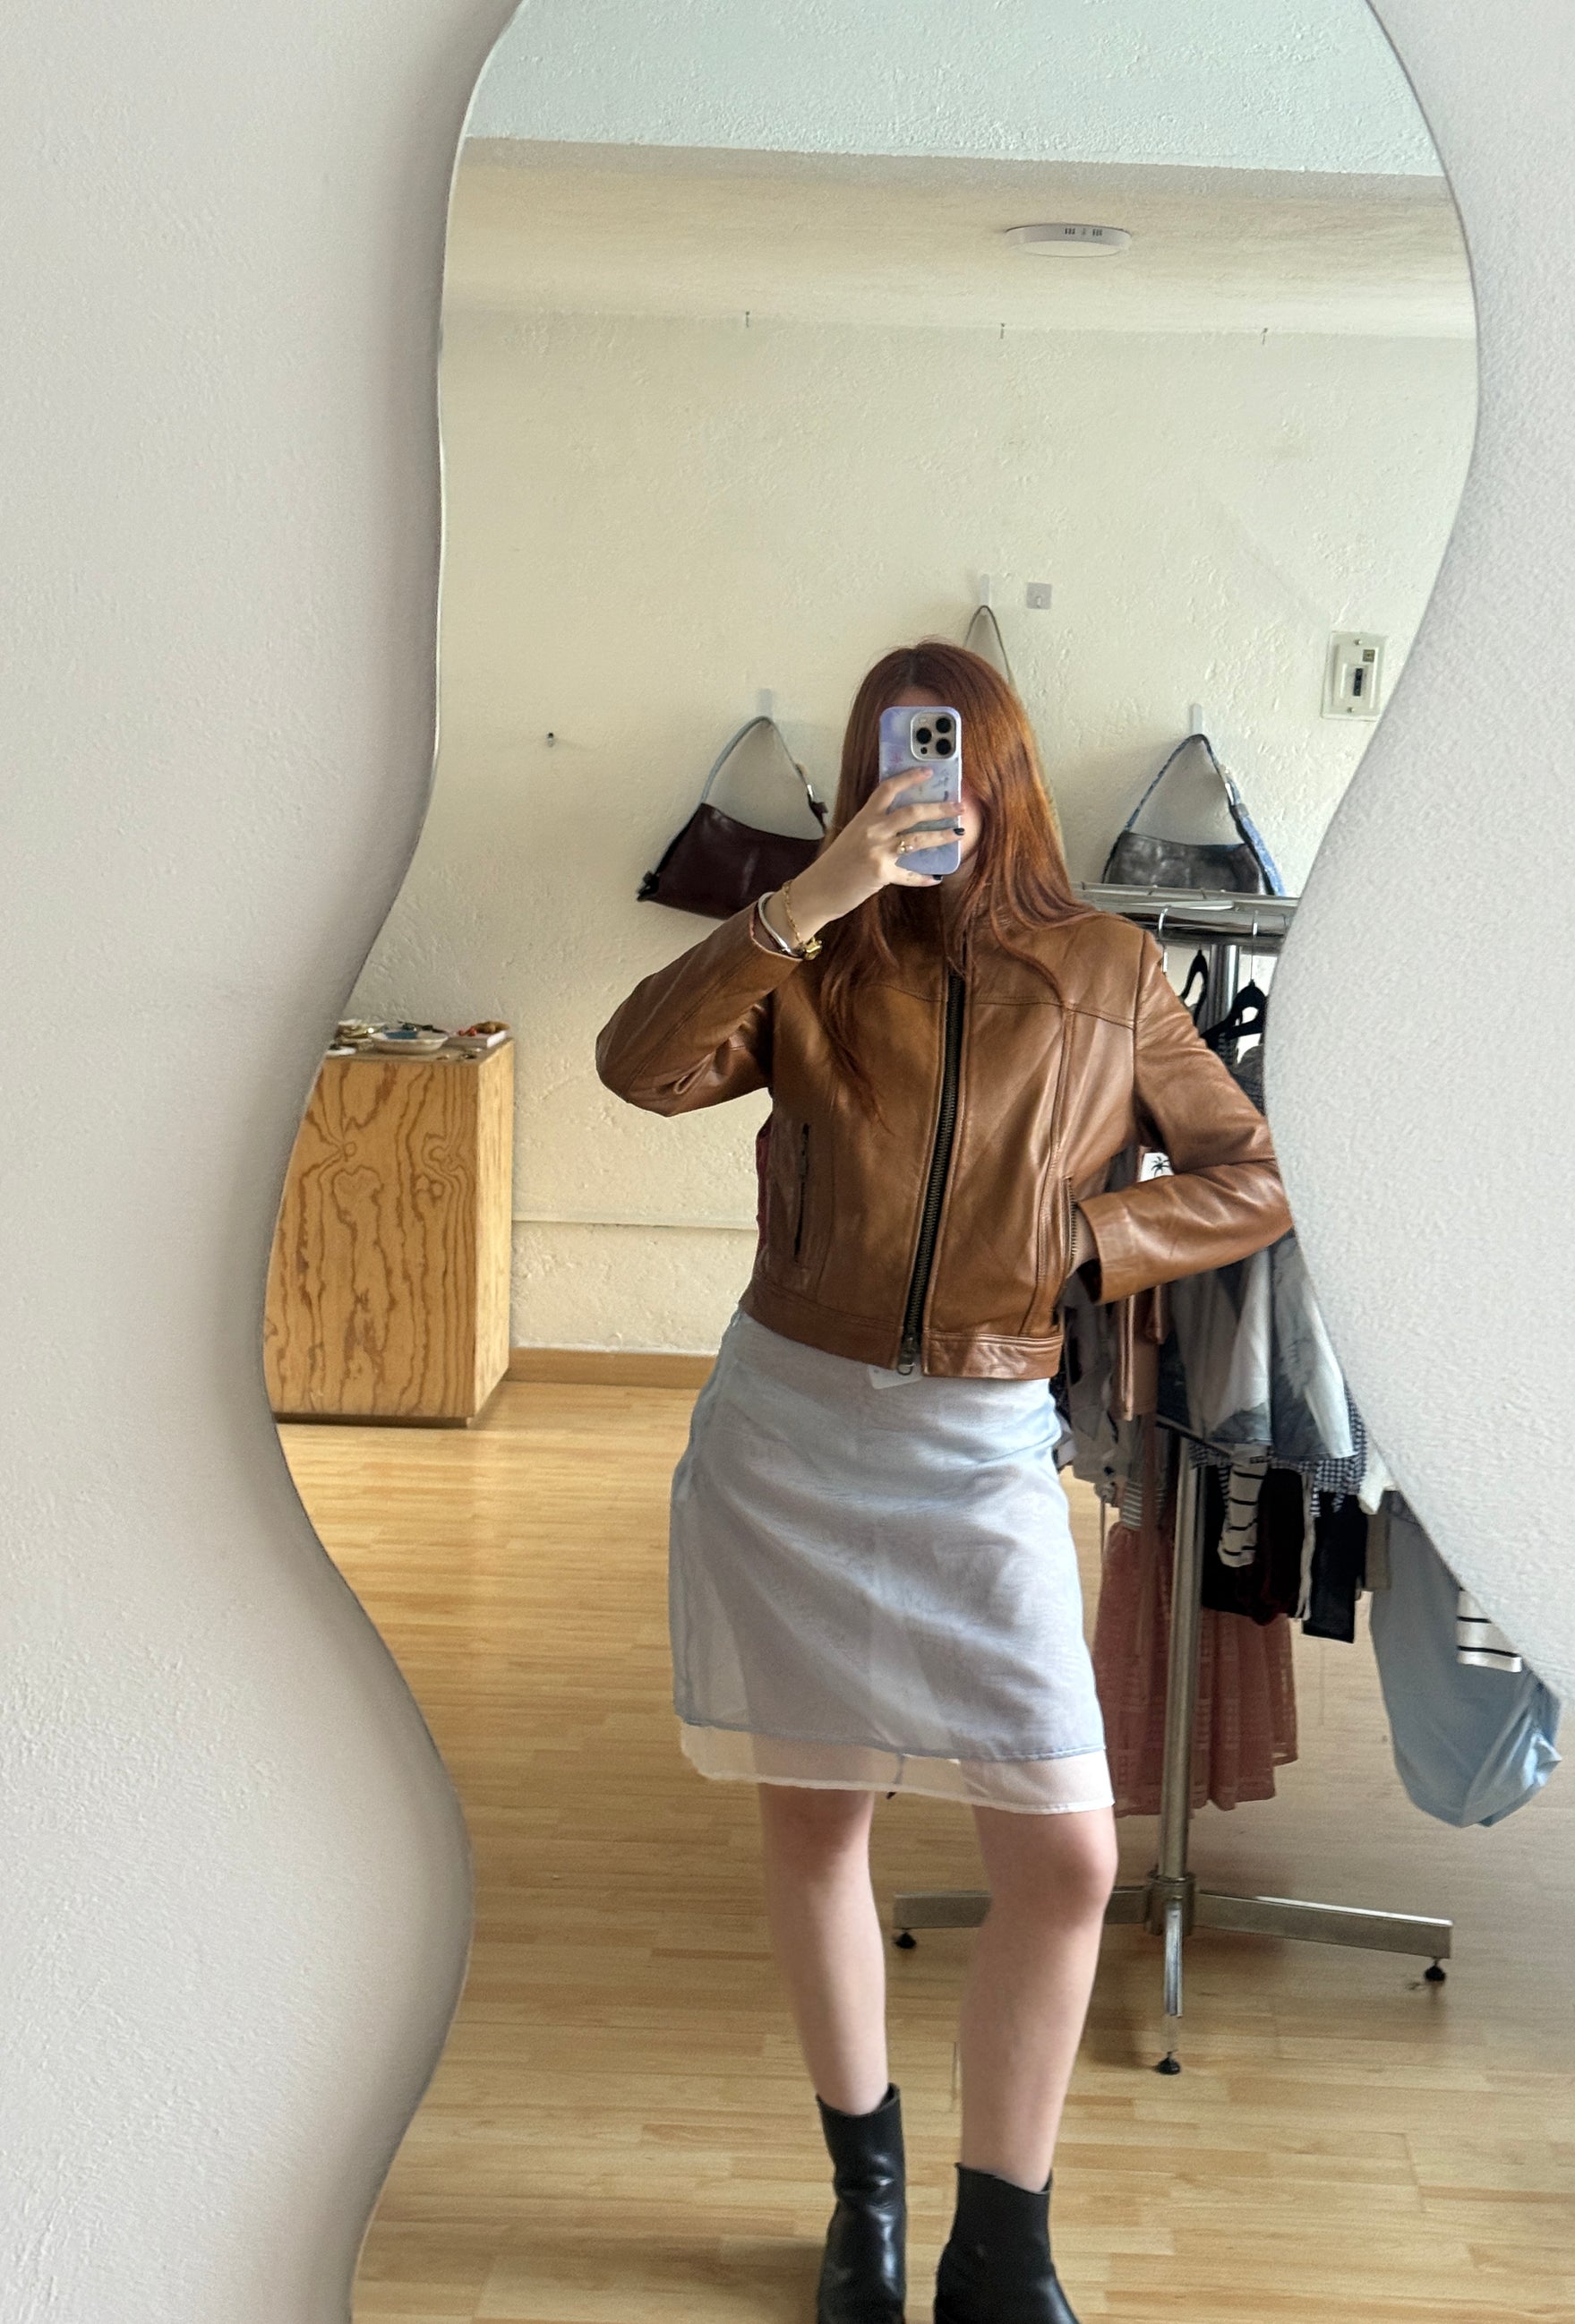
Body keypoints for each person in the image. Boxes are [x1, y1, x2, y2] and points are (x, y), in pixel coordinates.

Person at [595, 641, 1291, 2323]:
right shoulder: (813, 956)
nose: (932, 779)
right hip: (785, 1437)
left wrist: (1084, 1241)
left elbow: (1253, 1170)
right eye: (900, 752)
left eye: (958, 751)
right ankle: (867, 2202)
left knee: (1065, 1860)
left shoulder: (1111, 969)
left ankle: (1003, 2247)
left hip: (981, 1451)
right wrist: (803, 903)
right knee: (816, 1823)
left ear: (1008, 770)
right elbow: (637, 1065)